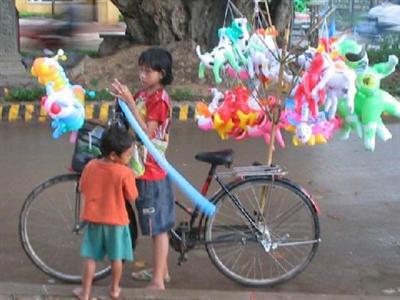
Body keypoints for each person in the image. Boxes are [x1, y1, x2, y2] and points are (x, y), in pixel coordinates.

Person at [111, 47, 175, 290]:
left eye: (148, 71)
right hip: (141, 166)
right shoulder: (144, 94)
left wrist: (128, 101)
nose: (142, 75)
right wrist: (123, 99)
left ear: (162, 73)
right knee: (155, 222)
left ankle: (158, 280)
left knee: (158, 227)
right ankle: (162, 270)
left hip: (151, 169)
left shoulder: (159, 100)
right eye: (141, 70)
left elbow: (146, 133)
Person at [73, 126, 138, 299]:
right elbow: (132, 196)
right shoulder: (125, 172)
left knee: (91, 258)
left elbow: (82, 187)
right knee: (116, 258)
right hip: (117, 221)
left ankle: (85, 292)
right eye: (128, 155)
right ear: (113, 155)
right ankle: (115, 289)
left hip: (94, 219)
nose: (130, 158)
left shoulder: (91, 166)